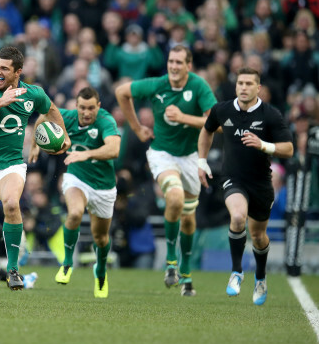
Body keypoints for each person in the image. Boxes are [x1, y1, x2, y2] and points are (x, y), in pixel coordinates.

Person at [0, 46, 70, 303]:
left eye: (4, 68)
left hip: (11, 165)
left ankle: (12, 270)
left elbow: (51, 110)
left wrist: (64, 134)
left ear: (18, 72)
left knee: (11, 203)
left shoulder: (33, 94)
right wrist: (0, 102)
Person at [115, 45, 217, 296]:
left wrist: (184, 118)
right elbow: (121, 92)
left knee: (189, 219)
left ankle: (186, 272)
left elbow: (217, 122)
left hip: (191, 156)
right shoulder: (158, 84)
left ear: (188, 66)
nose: (173, 66)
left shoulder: (199, 87)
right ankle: (171, 261)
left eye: (179, 62)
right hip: (162, 154)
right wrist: (137, 128)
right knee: (174, 198)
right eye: (171, 61)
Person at [197, 67, 293, 305]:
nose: (243, 87)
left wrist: (264, 145)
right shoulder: (223, 109)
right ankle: (237, 271)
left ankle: (260, 277)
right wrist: (201, 161)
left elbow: (288, 149)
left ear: (258, 88)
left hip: (261, 183)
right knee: (238, 217)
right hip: (233, 178)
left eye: (249, 84)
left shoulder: (271, 115)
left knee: (258, 236)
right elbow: (206, 130)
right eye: (240, 83)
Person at [29, 87, 120, 298]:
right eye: (82, 108)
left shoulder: (106, 121)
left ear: (98, 106)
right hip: (76, 178)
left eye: (91, 108)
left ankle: (100, 270)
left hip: (103, 186)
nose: (86, 113)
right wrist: (34, 145)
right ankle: (68, 263)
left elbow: (114, 149)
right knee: (75, 213)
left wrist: (85, 154)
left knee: (101, 238)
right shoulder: (67, 117)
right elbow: (43, 117)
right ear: (75, 106)